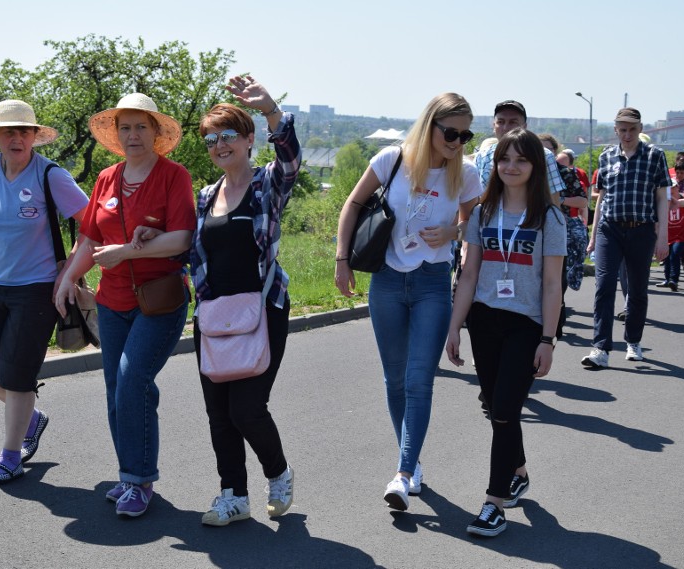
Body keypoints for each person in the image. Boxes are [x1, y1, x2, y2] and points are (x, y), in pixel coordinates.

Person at [335, 93, 482, 512]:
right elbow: (353, 203)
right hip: (385, 280)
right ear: (430, 125)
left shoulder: (466, 173)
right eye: (450, 132)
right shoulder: (392, 160)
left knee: (419, 380)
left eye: (465, 134)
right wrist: (342, 259)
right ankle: (412, 462)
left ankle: (402, 472)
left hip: (433, 283)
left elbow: (477, 222)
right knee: (394, 378)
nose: (457, 141)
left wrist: (454, 235)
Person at [54, 93, 195, 517]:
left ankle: (138, 480)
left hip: (160, 302)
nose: (133, 135)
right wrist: (69, 278)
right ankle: (131, 474)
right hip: (112, 301)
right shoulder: (107, 178)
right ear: (117, 135)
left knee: (134, 381)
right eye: (126, 127)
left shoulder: (174, 176)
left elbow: (182, 239)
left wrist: (127, 253)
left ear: (156, 133)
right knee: (118, 390)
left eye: (141, 126)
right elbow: (91, 240)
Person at [188, 76, 301, 527]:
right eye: (211, 139)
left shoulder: (266, 185)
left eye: (228, 135)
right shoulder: (204, 196)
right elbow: (194, 253)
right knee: (219, 412)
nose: (219, 145)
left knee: (247, 408)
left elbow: (290, 158)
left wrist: (271, 109)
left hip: (262, 309)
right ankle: (233, 495)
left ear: (249, 140)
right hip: (214, 316)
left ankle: (279, 473)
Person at [445, 128, 565, 537]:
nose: (511, 167)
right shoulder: (483, 212)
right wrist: (455, 326)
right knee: (493, 402)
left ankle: (494, 503)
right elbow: (469, 273)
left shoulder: (548, 218)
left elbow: (552, 284)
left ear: (535, 166)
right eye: (504, 159)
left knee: (503, 410)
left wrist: (548, 340)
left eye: (521, 160)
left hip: (526, 325)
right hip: (484, 319)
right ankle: (519, 471)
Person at [0, 100, 90, 486]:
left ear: (35, 137)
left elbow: (91, 225)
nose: (16, 138)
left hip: (36, 290)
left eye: (24, 131)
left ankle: (9, 457)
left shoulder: (51, 176)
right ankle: (32, 419)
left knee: (18, 377)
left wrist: (68, 273)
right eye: (8, 131)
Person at [581, 108, 670, 368]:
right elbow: (602, 199)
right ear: (616, 130)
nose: (627, 134)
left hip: (641, 229)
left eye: (632, 129)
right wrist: (594, 235)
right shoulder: (607, 156)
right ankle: (600, 347)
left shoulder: (655, 156)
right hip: (610, 228)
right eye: (622, 129)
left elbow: (662, 198)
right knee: (604, 285)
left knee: (637, 289)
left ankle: (633, 340)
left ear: (640, 129)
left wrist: (662, 237)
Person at [539, 135, 587, 338]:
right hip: (532, 232)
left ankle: (555, 324)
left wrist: (560, 199)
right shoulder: (526, 172)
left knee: (557, 279)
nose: (543, 154)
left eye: (548, 150)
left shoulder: (565, 173)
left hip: (560, 230)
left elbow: (582, 201)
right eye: (539, 149)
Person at [475, 100, 566, 202]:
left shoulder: (543, 155)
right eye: (500, 122)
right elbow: (475, 198)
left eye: (513, 122)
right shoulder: (483, 156)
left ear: (524, 127)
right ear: (493, 126)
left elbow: (553, 199)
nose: (505, 128)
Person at [657, 163, 684, 291]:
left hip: (681, 236)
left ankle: (674, 280)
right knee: (666, 257)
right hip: (667, 235)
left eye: (673, 187)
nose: (671, 190)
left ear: (677, 187)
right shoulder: (662, 202)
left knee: (674, 254)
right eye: (669, 188)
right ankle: (668, 279)